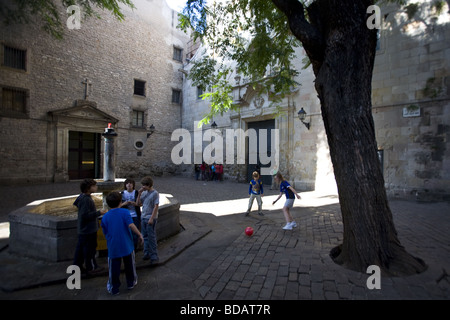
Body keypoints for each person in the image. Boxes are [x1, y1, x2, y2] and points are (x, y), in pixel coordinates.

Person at [101, 191, 144, 295]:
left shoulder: (105, 217)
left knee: (114, 268)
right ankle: (131, 282)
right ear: (121, 202)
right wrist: (139, 234)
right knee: (130, 265)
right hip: (126, 244)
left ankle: (114, 288)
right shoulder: (125, 212)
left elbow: (105, 231)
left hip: (113, 246)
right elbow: (131, 225)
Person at [73, 179, 107, 275]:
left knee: (80, 250)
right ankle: (91, 267)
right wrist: (99, 213)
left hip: (83, 229)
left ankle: (77, 267)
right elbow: (85, 215)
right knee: (90, 249)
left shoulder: (82, 197)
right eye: (94, 186)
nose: (96, 187)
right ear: (89, 188)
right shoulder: (86, 199)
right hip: (88, 229)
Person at [136, 176, 160, 264]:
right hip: (143, 217)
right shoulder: (144, 193)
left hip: (150, 218)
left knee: (151, 237)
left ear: (149, 185)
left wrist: (151, 218)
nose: (143, 187)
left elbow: (156, 206)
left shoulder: (155, 193)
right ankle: (146, 253)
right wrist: (139, 194)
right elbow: (138, 204)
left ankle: (154, 256)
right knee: (145, 237)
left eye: (144, 185)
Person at [120, 178, 141, 250]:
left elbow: (140, 204)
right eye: (127, 183)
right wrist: (125, 203)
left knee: (135, 233)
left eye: (130, 183)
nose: (129, 185)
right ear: (125, 185)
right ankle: (128, 247)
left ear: (133, 185)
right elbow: (119, 205)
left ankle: (134, 248)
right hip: (126, 215)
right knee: (127, 232)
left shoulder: (136, 193)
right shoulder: (122, 193)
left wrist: (135, 204)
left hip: (135, 215)